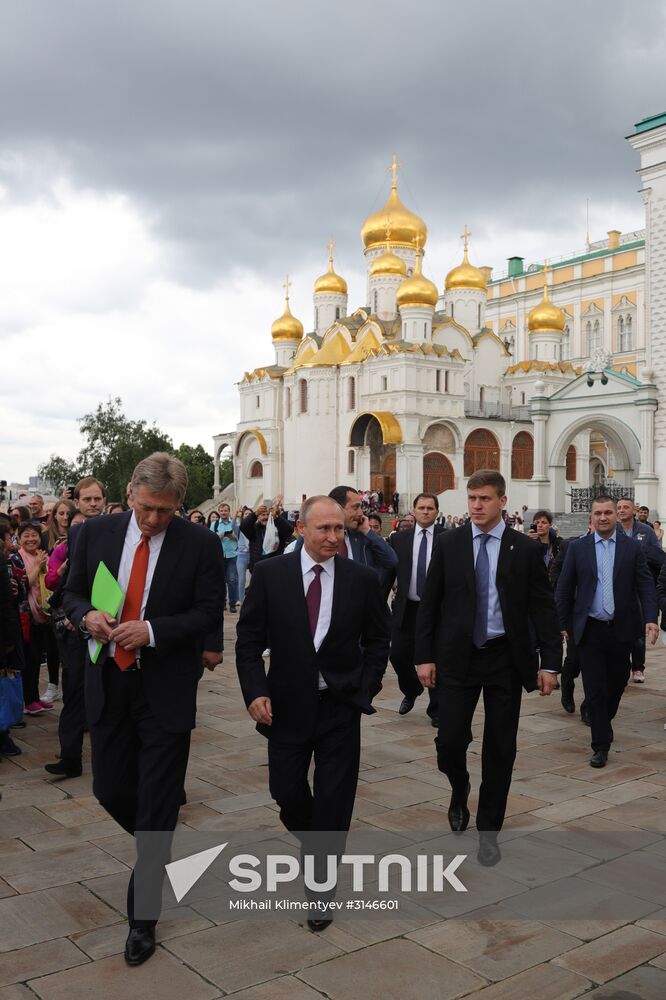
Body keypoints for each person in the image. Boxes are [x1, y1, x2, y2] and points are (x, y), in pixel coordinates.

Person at [63, 453, 225, 967]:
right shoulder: (96, 535)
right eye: (149, 508)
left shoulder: (200, 543)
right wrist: (84, 614)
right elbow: (68, 594)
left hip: (165, 688)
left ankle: (143, 918)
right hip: (108, 682)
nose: (155, 520)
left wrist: (152, 631)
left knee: (157, 801)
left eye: (167, 511)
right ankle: (159, 846)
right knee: (109, 788)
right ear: (131, 491)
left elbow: (205, 611)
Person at [235, 495, 391, 932]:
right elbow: (247, 642)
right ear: (300, 529)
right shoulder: (270, 575)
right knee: (286, 791)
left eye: (340, 529)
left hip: (340, 706)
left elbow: (380, 641)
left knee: (335, 800)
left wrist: (366, 685)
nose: (333, 537)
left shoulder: (362, 580)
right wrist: (255, 692)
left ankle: (321, 884)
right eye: (323, 529)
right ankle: (317, 843)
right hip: (285, 706)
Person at [415, 469, 561, 867]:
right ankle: (459, 788)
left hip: (503, 659)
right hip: (457, 658)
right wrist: (423, 656)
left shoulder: (525, 549)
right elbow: (430, 603)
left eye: (484, 499)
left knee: (501, 747)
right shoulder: (450, 544)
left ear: (502, 501)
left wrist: (550, 662)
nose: (477, 505)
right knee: (449, 742)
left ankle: (489, 828)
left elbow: (542, 608)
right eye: (472, 498)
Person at [555, 495, 658, 769]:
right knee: (595, 688)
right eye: (598, 513)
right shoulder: (578, 548)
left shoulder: (631, 548)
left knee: (617, 681)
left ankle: (603, 721)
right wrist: (561, 623)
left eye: (608, 513)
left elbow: (645, 584)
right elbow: (564, 588)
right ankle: (600, 744)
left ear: (618, 515)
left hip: (621, 628)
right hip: (589, 629)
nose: (603, 517)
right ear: (591, 517)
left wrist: (651, 617)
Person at [44, 477, 107, 778]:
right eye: (87, 499)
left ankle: (111, 759)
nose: (93, 504)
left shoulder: (119, 530)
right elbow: (70, 583)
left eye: (97, 499)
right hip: (79, 626)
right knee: (75, 695)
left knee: (108, 695)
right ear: (77, 503)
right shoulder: (77, 535)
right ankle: (70, 757)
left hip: (110, 626)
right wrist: (73, 611)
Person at [387, 493, 445, 727]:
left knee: (435, 657)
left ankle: (437, 709)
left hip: (437, 610)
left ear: (437, 512)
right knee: (398, 655)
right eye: (421, 507)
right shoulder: (400, 539)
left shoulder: (448, 538)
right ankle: (411, 689)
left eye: (430, 508)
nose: (425, 511)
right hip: (407, 608)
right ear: (413, 510)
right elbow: (390, 571)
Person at [615, 496, 664, 683]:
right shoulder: (613, 530)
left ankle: (637, 667)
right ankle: (620, 665)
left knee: (639, 630)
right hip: (619, 587)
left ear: (634, 510)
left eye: (625, 507)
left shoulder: (646, 531)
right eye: (618, 507)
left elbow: (658, 556)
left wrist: (639, 552)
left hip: (640, 588)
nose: (621, 510)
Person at [10, 522, 53, 715]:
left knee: (36, 659)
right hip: (25, 615)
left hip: (41, 614)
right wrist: (37, 567)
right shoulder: (16, 558)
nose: (30, 539)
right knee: (28, 658)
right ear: (18, 539)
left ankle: (34, 697)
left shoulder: (41, 555)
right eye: (25, 536)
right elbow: (22, 586)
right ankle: (28, 700)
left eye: (34, 535)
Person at [241, 496, 294, 571]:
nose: (266, 517)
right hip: (257, 567)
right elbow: (243, 527)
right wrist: (254, 514)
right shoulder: (254, 529)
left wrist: (277, 517)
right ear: (258, 517)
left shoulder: (278, 527)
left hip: (275, 567)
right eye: (263, 515)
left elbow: (289, 530)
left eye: (268, 515)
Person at [216, 503, 239, 613]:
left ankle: (233, 603)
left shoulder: (235, 523)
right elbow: (211, 538)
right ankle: (222, 602)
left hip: (232, 555)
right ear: (219, 512)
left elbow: (239, 538)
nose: (224, 513)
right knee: (220, 580)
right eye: (222, 511)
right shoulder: (215, 524)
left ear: (229, 511)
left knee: (232, 580)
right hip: (219, 555)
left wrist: (232, 536)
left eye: (225, 510)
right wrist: (220, 536)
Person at [236, 506, 251, 602]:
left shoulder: (256, 526)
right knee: (241, 579)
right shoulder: (239, 526)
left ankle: (252, 598)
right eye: (246, 514)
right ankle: (241, 600)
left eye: (249, 514)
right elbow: (233, 525)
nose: (247, 515)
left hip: (253, 554)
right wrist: (236, 514)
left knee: (254, 579)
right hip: (242, 555)